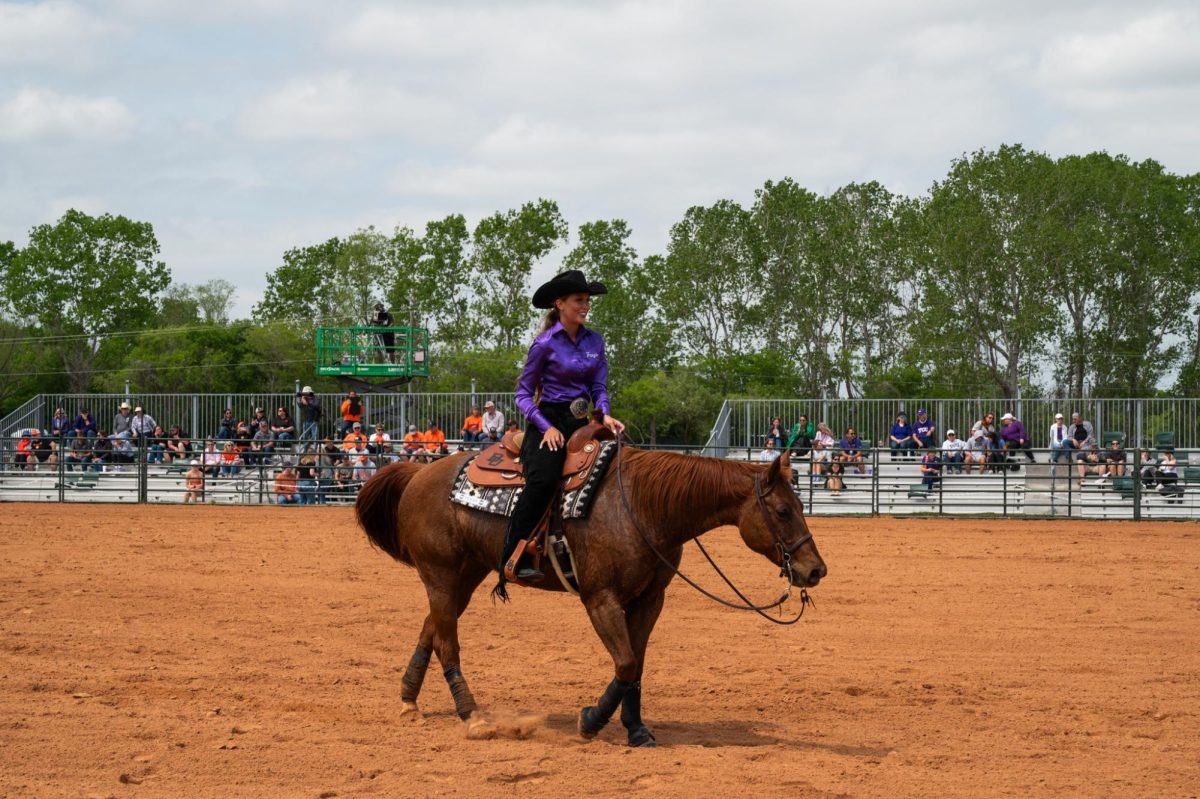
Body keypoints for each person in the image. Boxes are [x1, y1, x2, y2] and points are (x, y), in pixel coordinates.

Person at [501, 269, 624, 589]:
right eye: (579, 300)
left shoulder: (595, 341)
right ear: (560, 303)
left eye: (587, 300)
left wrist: (606, 415)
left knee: (618, 467)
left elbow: (599, 386)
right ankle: (513, 556)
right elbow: (523, 395)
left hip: (583, 421)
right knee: (543, 480)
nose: (585, 305)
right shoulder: (544, 344)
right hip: (548, 421)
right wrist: (546, 427)